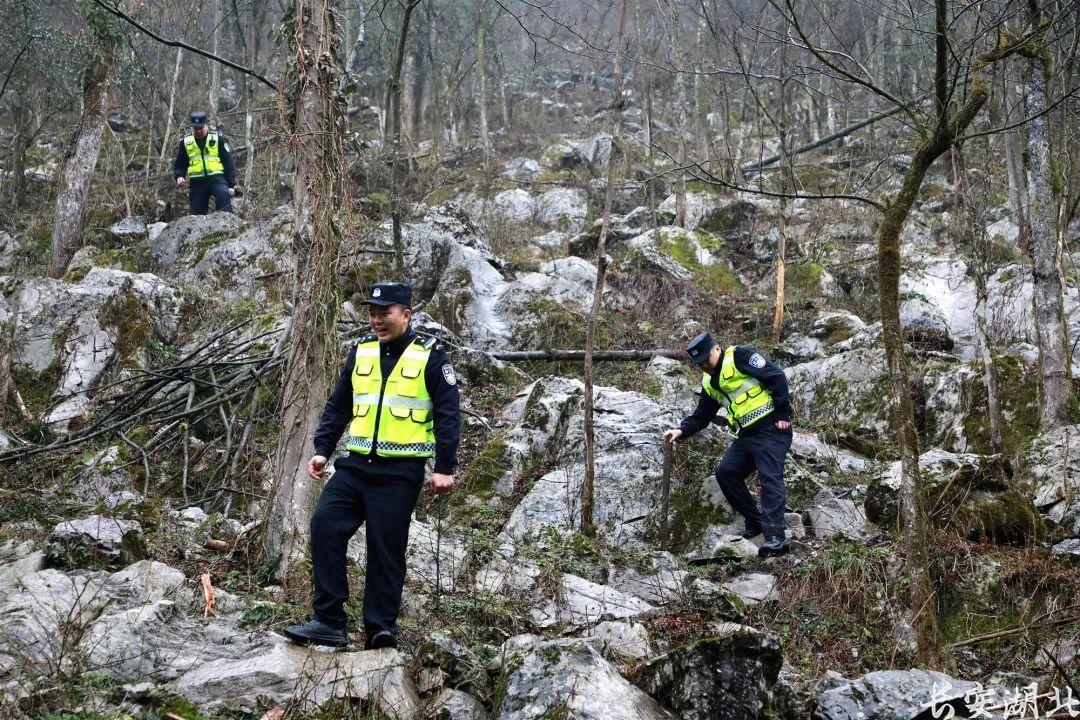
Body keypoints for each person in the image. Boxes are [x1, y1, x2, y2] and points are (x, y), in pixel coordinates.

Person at [284, 282, 460, 650]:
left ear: (406, 315)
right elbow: (339, 405)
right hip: (354, 467)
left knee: (385, 549)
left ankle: (380, 629)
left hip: (400, 472)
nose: (377, 320)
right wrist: (322, 449)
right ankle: (329, 621)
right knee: (325, 526)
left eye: (386, 313)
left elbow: (448, 414)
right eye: (373, 313)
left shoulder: (431, 355)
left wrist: (445, 466)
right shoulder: (360, 351)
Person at [663, 331, 794, 557]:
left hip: (771, 430)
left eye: (706, 359)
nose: (704, 365)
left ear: (717, 348)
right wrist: (681, 430)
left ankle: (775, 537)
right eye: (699, 363)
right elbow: (702, 416)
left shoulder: (741, 356)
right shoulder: (709, 382)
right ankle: (756, 522)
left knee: (769, 477)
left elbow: (777, 376)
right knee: (726, 472)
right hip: (747, 438)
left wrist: (783, 413)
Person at [173, 111, 236, 215]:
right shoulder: (185, 141)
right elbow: (180, 163)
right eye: (195, 128)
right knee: (197, 214)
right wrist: (179, 176)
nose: (198, 131)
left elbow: (228, 162)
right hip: (197, 182)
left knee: (223, 196)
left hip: (217, 179)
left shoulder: (218, 138)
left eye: (200, 128)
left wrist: (231, 185)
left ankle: (229, 227)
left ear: (206, 125)